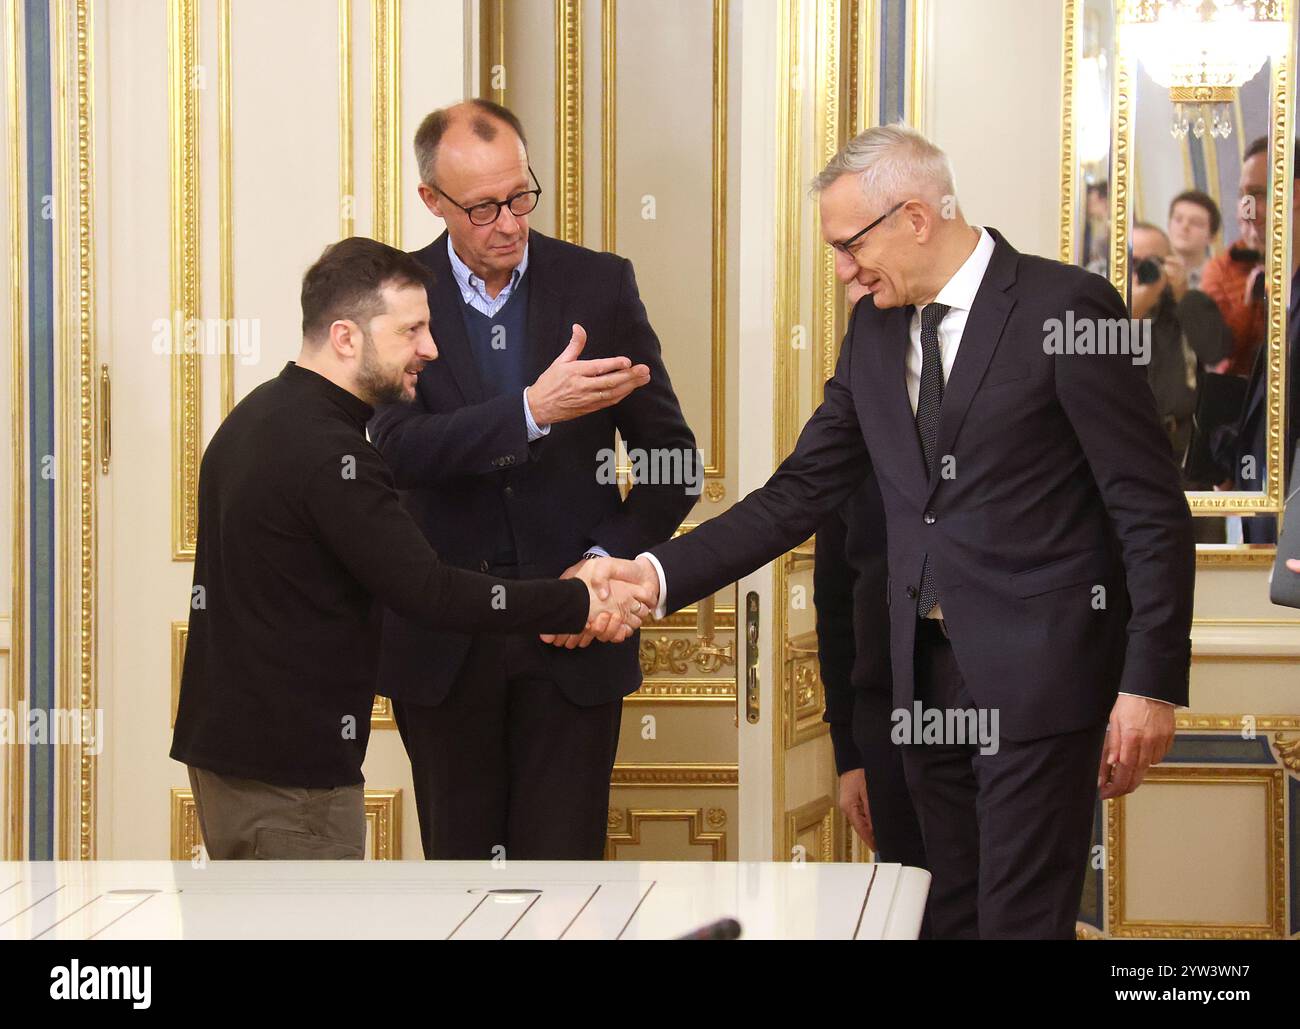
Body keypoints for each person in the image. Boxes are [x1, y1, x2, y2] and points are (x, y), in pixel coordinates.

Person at [583, 124, 1195, 939]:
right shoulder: (875, 331)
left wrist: (1149, 682)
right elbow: (798, 492)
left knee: (1019, 922)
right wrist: (655, 574)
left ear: (914, 216)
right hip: (921, 680)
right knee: (937, 917)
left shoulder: (1065, 308)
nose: (842, 274)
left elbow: (1149, 507)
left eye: (848, 246)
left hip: (1043, 682)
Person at [171, 237, 649, 861]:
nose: (431, 348)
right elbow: (429, 591)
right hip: (291, 781)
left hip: (231, 762)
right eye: (413, 330)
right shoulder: (331, 452)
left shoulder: (257, 415)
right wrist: (577, 601)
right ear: (346, 338)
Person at [369, 100, 697, 861]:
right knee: (463, 882)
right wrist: (527, 412)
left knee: (565, 887)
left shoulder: (600, 285)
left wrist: (603, 567)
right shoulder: (396, 295)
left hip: (574, 634)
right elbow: (396, 451)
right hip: (445, 643)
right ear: (432, 201)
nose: (509, 223)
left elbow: (672, 462)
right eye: (483, 208)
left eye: (521, 196)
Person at [1128, 222, 1228, 462]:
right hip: (1129, 446)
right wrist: (1135, 308)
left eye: (1151, 262)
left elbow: (1216, 351)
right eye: (1133, 262)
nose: (1141, 270)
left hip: (1183, 447)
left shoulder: (1188, 306)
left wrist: (1183, 294)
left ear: (1168, 264)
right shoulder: (1099, 308)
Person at [1201, 136, 1270, 377]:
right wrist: (1249, 302)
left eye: (1258, 194)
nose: (1247, 207)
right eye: (1243, 195)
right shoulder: (1220, 268)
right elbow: (1223, 354)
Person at [1167, 189, 1220, 291]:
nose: (1184, 226)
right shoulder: (1153, 275)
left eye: (1196, 223)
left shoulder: (1220, 279)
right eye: (1178, 219)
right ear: (1169, 225)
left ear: (1212, 237)